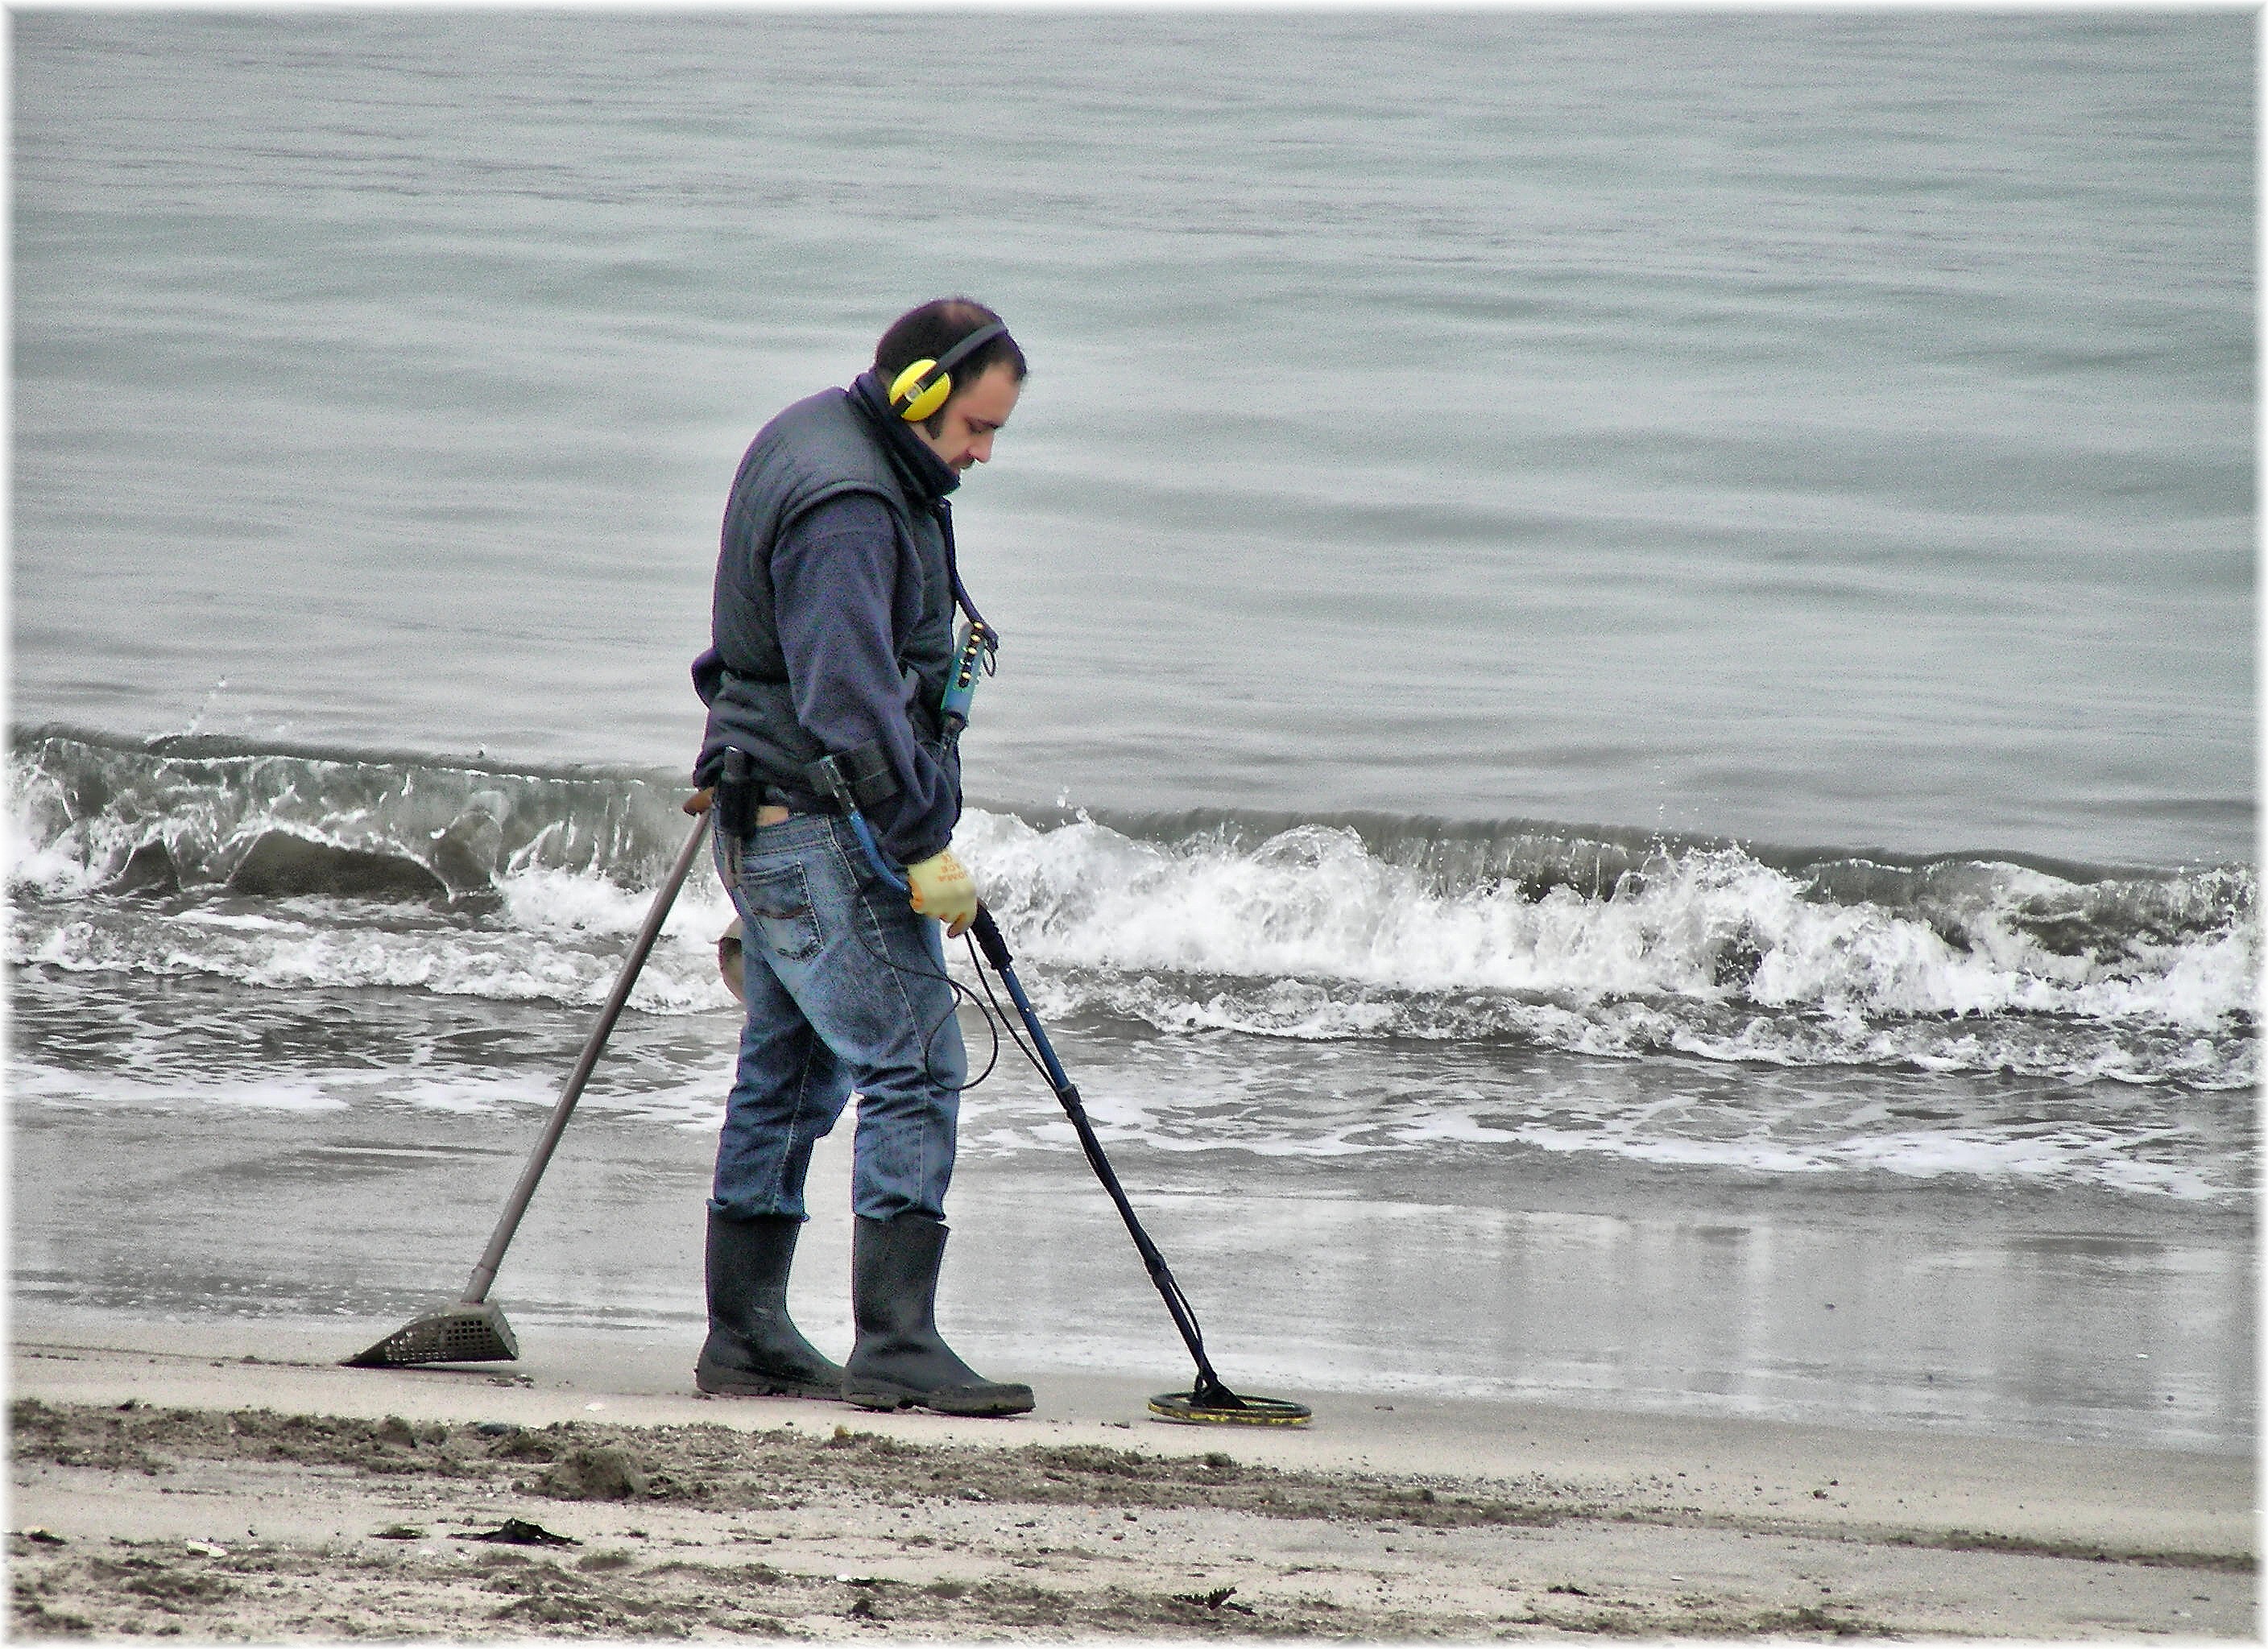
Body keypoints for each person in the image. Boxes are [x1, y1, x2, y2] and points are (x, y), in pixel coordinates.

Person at [686, 298, 1033, 1417]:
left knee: (786, 1077)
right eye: (974, 429)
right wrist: (925, 848)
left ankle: (746, 1337)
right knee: (919, 1062)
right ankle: (896, 1339)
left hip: (773, 819)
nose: (982, 454)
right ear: (919, 397)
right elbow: (846, 702)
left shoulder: (829, 440)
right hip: (820, 825)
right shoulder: (849, 502)